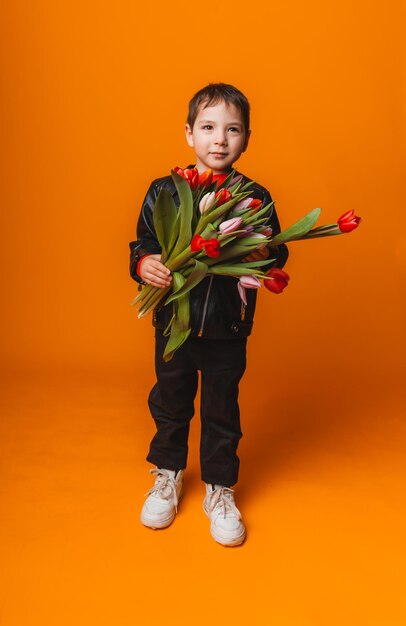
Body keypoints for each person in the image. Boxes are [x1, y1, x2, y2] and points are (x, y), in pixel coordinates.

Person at [129, 82, 289, 546]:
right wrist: (144, 264)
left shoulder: (254, 197)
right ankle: (168, 473)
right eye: (208, 127)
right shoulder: (165, 191)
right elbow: (143, 242)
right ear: (189, 134)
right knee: (170, 400)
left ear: (246, 138)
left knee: (222, 407)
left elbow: (275, 254)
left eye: (232, 129)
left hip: (227, 327)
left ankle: (220, 488)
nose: (219, 139)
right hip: (174, 323)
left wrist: (262, 256)